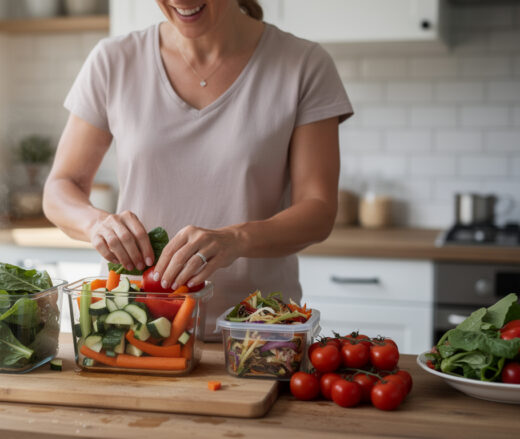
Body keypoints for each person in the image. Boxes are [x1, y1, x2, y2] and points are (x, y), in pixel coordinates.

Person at [43, 0, 353, 339]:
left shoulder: (304, 65)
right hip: (133, 329)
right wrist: (95, 224)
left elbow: (318, 210)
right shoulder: (113, 60)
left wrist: (236, 239)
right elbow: (61, 186)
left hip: (254, 333)